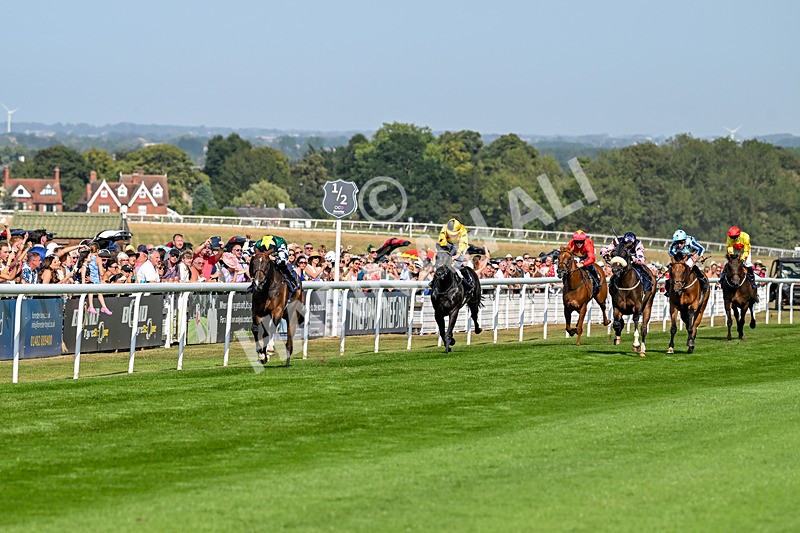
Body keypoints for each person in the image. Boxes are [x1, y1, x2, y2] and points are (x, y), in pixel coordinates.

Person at [436, 218, 475, 294]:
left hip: (458, 245)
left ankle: (468, 282)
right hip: (448, 244)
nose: (451, 235)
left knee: (458, 265)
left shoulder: (463, 231)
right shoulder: (444, 229)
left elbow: (462, 245)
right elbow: (442, 244)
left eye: (453, 234)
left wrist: (457, 255)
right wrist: (446, 254)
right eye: (450, 233)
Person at [667, 229, 708, 294]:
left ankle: (703, 281)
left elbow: (701, 249)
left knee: (689, 265)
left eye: (681, 242)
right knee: (672, 268)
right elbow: (670, 252)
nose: (679, 245)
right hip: (680, 256)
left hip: (691, 255)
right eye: (677, 243)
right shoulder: (674, 244)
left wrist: (696, 256)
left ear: (684, 240)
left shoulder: (690, 241)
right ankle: (669, 285)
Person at [566, 230, 601, 295]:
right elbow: (566, 253)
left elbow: (592, 259)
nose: (578, 244)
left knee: (589, 265)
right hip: (577, 255)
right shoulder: (571, 243)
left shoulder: (588, 244)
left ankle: (597, 279)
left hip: (587, 256)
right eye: (576, 242)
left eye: (581, 242)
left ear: (584, 241)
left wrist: (583, 264)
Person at [724, 225, 758, 292]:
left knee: (747, 264)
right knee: (729, 263)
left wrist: (742, 259)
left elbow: (746, 250)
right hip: (735, 249)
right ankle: (722, 280)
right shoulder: (729, 238)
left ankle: (752, 282)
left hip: (745, 250)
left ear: (738, 235)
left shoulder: (746, 236)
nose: (733, 239)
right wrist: (732, 256)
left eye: (734, 237)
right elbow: (729, 247)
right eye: (731, 237)